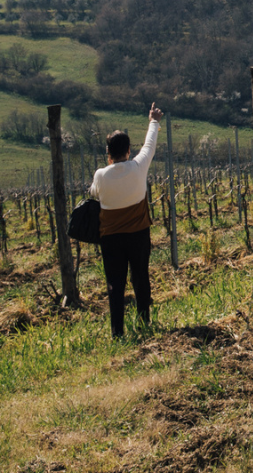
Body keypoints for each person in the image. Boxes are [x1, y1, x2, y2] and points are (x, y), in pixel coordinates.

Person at [88, 103, 162, 338]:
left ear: (108, 153)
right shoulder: (138, 167)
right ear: (129, 150)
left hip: (110, 238)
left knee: (115, 284)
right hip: (138, 235)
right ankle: (144, 322)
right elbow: (149, 145)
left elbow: (93, 194)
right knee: (141, 277)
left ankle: (117, 331)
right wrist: (153, 120)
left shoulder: (100, 174)